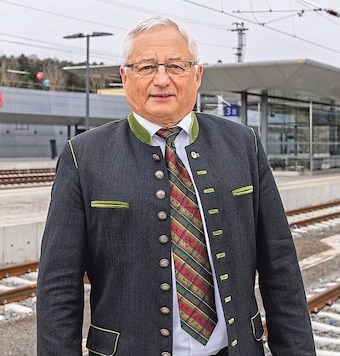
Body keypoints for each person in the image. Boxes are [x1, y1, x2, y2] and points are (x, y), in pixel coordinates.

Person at [36, 16, 316, 356]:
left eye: (176, 66)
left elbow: (281, 268)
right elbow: (58, 288)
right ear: (125, 77)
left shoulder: (243, 145)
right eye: (146, 67)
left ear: (197, 75)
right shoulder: (84, 157)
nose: (162, 79)